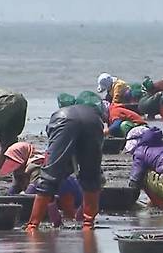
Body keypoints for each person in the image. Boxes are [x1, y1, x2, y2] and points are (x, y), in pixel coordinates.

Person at [25, 93, 105, 231]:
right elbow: (90, 160)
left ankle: (33, 225)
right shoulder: (95, 114)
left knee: (49, 177)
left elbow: (54, 153)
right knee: (92, 175)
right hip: (93, 122)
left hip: (62, 119)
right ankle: (88, 224)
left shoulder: (61, 112)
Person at [0, 142, 83, 227]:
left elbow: (30, 194)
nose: (15, 169)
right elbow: (13, 191)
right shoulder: (19, 171)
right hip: (52, 196)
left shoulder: (36, 166)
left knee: (71, 218)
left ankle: (72, 220)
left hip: (70, 193)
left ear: (23, 156)